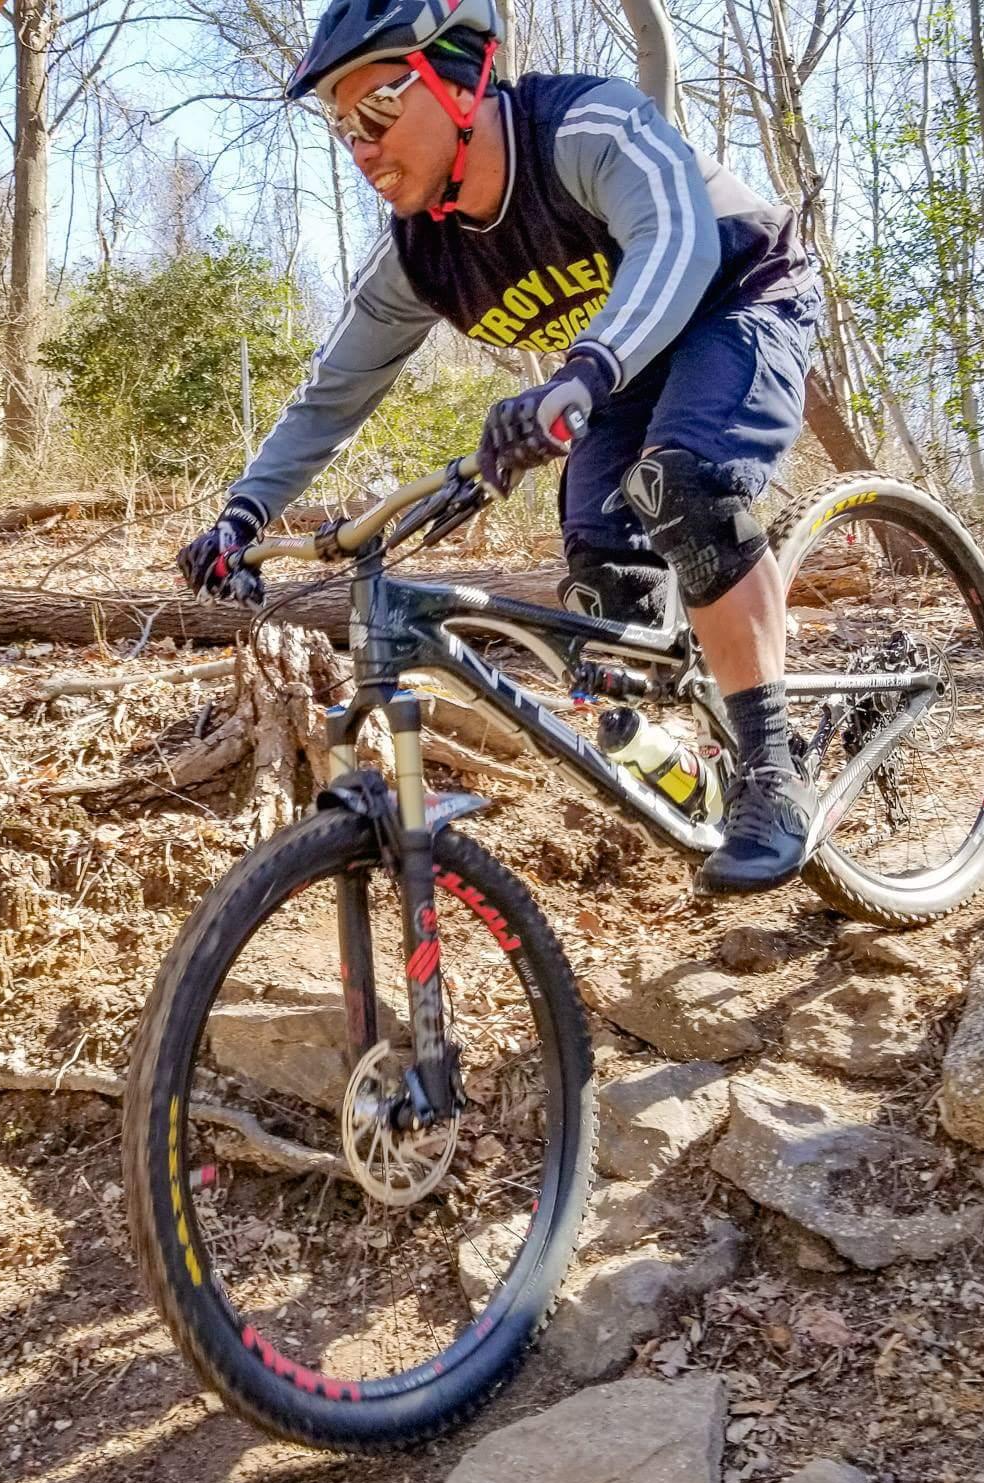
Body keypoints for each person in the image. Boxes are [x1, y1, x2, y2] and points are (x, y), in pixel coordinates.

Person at [176, 0, 822, 893]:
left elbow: (675, 241)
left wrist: (581, 376)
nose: (360, 147)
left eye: (377, 109)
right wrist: (242, 515)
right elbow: (333, 394)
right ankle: (689, 743)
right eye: (341, 125)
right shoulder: (419, 257)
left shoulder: (585, 129)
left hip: (737, 295)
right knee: (602, 584)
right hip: (618, 365)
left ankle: (774, 772)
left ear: (461, 80)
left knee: (685, 484)